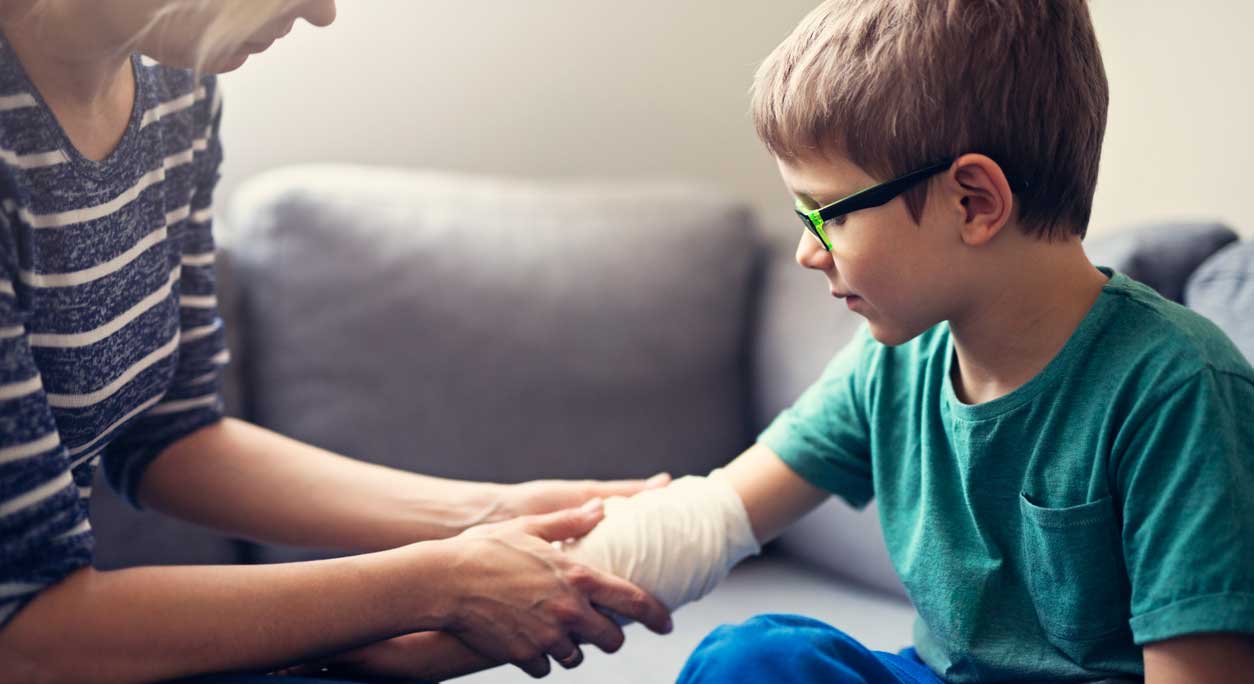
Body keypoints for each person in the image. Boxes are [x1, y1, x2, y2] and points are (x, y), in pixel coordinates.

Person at [299, 0, 1254, 681]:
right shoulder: (897, 361)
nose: (806, 251)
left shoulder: (1175, 388)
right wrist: (412, 647)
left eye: (826, 214)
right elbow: (707, 522)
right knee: (757, 658)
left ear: (974, 201)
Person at [0, 1, 675, 682]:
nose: (321, 12)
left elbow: (170, 436)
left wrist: (491, 511)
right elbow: (27, 636)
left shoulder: (176, 90)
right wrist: (439, 582)